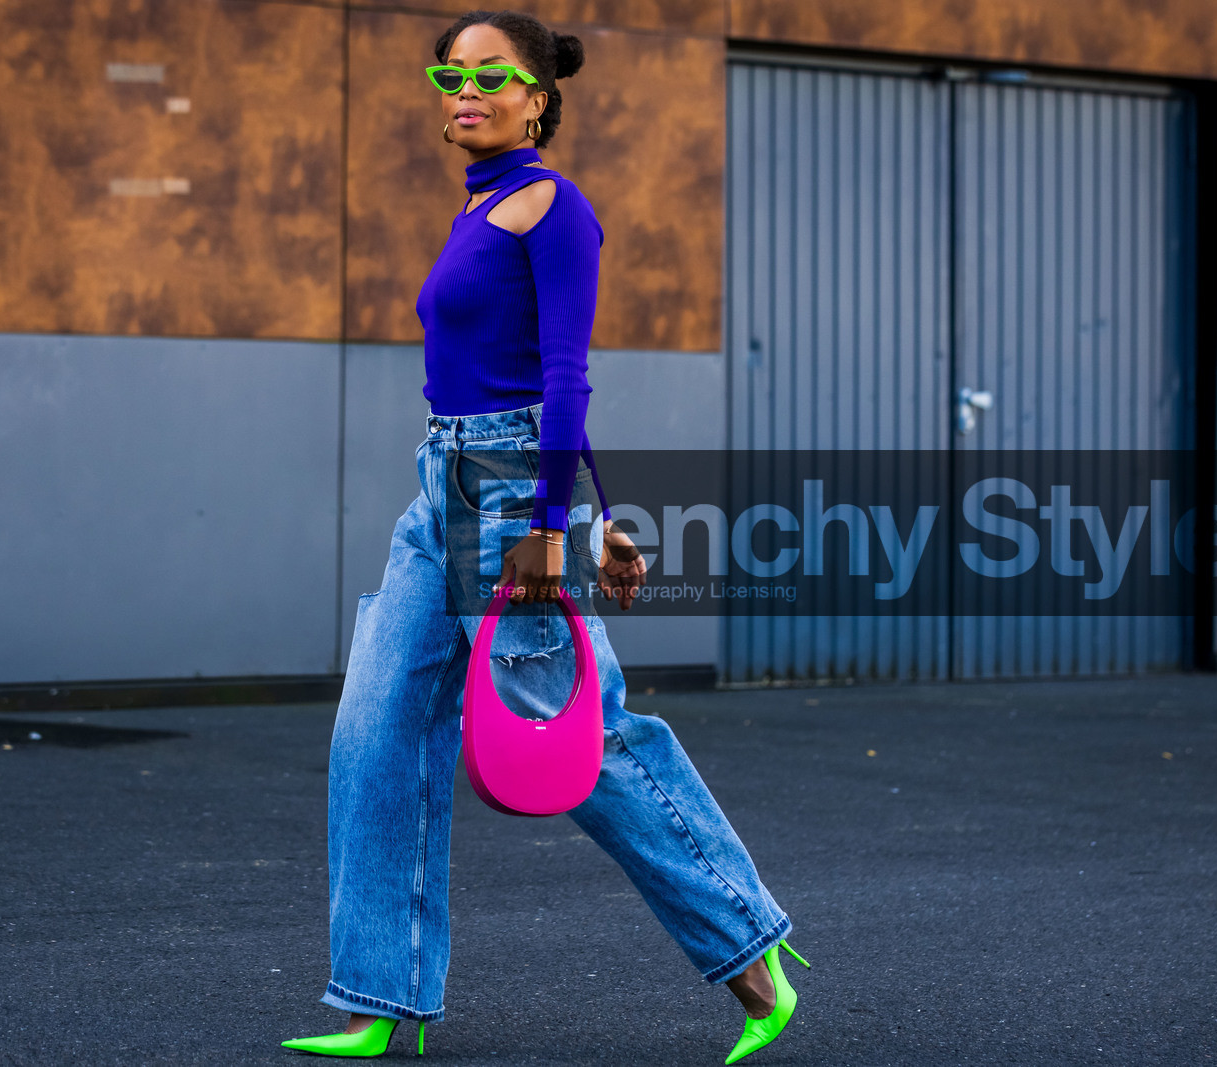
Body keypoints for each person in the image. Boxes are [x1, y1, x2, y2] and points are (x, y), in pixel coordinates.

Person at [281, 10, 808, 1063]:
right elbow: (522, 374)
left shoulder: (555, 209)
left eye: (491, 75)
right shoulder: (478, 210)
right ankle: (378, 1000)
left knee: (582, 738)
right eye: (450, 74)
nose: (465, 90)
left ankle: (754, 961)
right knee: (374, 727)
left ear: (538, 98)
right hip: (443, 486)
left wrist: (553, 524)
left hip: (512, 491)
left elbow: (564, 378)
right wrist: (601, 513)